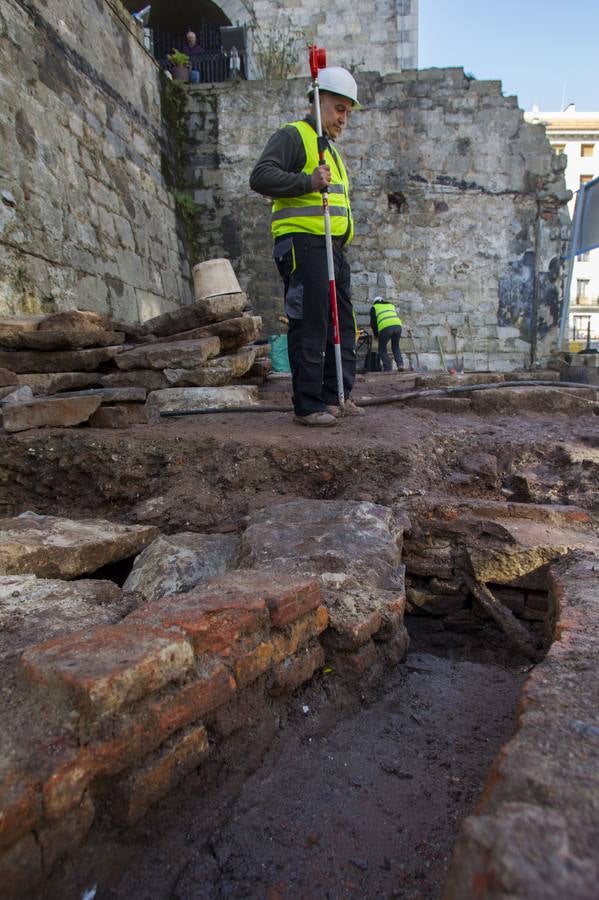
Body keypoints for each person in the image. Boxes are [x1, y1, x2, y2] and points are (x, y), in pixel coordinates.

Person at [249, 66, 364, 427]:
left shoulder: (329, 150)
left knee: (341, 324)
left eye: (348, 111)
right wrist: (307, 181)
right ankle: (309, 404)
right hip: (303, 245)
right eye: (338, 108)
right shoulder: (295, 136)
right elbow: (261, 176)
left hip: (332, 250)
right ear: (318, 101)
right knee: (311, 323)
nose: (343, 118)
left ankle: (335, 396)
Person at [370, 295, 404, 371]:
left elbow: (373, 323)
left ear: (375, 302)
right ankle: (400, 364)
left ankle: (387, 368)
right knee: (395, 346)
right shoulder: (390, 305)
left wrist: (376, 335)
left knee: (382, 349)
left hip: (385, 327)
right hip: (398, 326)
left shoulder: (374, 307)